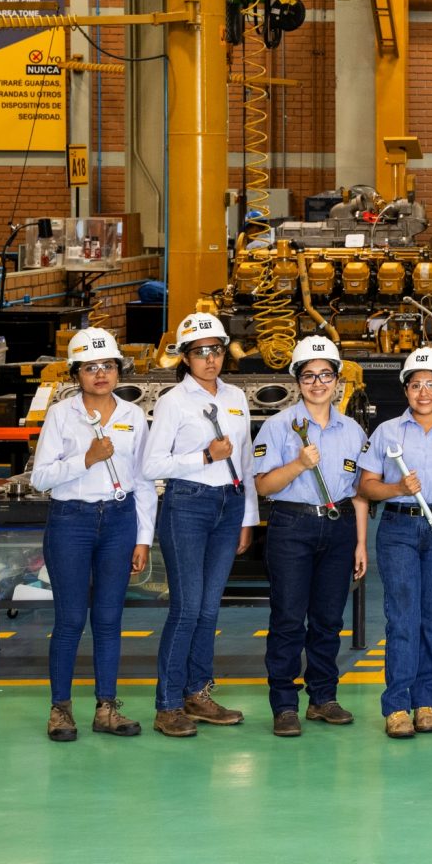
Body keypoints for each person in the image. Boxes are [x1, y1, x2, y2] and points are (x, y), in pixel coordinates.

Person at [30, 328, 154, 742]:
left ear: (119, 370)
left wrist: (143, 537)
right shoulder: (61, 415)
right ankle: (60, 709)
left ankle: (107, 708)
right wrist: (86, 459)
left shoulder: (133, 416)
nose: (101, 374)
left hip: (119, 522)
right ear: (76, 374)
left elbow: (144, 481)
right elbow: (41, 478)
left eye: (108, 365)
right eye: (90, 367)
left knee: (108, 618)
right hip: (71, 521)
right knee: (70, 619)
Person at [141, 311, 258, 737]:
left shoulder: (236, 396)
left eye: (216, 350)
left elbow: (245, 460)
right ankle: (168, 704)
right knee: (187, 608)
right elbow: (152, 465)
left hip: (229, 506)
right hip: (187, 506)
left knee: (209, 609)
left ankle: (198, 693)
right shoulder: (173, 402)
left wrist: (248, 517)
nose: (210, 359)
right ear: (185, 358)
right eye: (200, 352)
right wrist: (205, 456)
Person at [358, 346, 432, 739]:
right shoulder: (387, 432)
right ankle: (396, 706)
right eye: (415, 385)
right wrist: (397, 488)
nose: (423, 392)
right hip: (398, 529)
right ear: (405, 389)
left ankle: (426, 702)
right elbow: (366, 486)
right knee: (402, 616)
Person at [250, 335, 368, 738]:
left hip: (339, 527)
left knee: (328, 620)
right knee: (288, 618)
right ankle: (284, 704)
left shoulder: (352, 430)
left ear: (337, 379)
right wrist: (298, 465)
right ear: (297, 381)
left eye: (325, 375)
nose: (318, 383)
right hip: (292, 527)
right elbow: (264, 486)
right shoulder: (279, 426)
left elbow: (360, 492)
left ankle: (323, 697)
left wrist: (360, 543)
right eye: (309, 376)